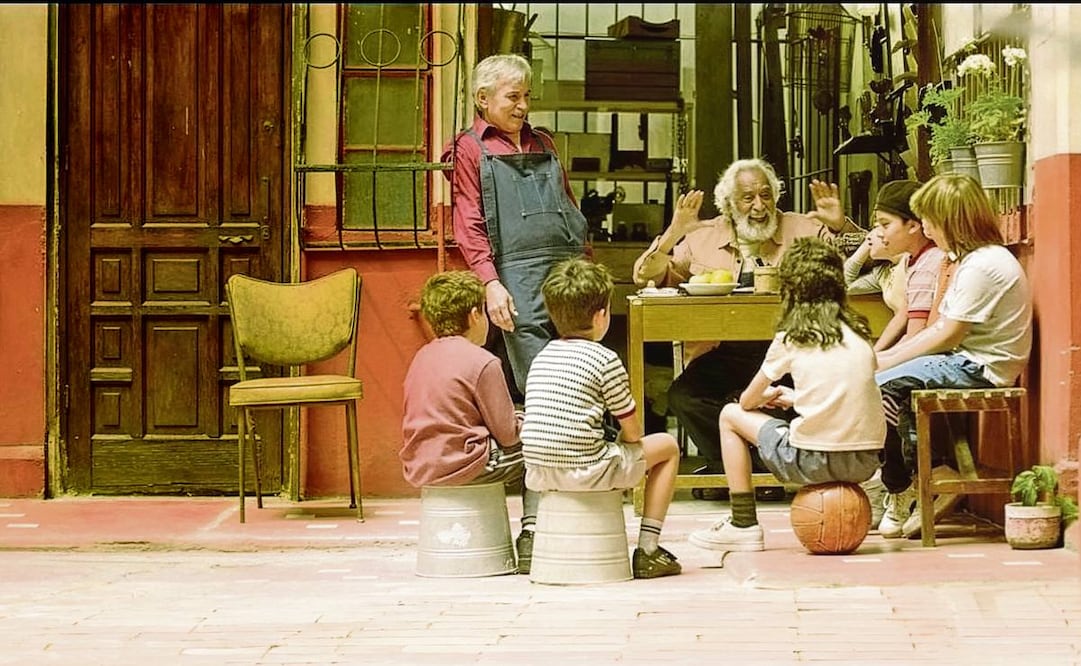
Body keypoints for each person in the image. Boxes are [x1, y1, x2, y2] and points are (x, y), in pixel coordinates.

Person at [632, 158, 860, 499]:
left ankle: (743, 470)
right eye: (747, 198)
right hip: (721, 351)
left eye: (766, 195)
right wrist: (673, 234)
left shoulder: (803, 228)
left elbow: (865, 258)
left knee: (809, 395)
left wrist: (840, 226)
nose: (758, 206)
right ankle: (746, 468)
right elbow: (644, 275)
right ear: (728, 204)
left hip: (790, 352)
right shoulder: (702, 236)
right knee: (684, 397)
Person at [687, 237, 886, 552]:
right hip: (865, 461)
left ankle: (743, 523)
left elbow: (747, 401)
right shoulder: (860, 334)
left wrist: (767, 396)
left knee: (729, 415)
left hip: (813, 461)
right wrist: (795, 398)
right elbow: (848, 392)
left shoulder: (792, 336)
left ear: (790, 289)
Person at [874, 174, 1032, 539]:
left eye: (930, 220)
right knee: (883, 382)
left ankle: (917, 482)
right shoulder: (972, 260)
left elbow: (947, 334)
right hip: (968, 359)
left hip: (980, 366)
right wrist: (889, 358)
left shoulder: (983, 265)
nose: (927, 229)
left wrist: (886, 362)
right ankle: (926, 477)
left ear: (950, 221)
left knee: (882, 387)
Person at [522, 257, 682, 579]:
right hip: (587, 469)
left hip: (537, 471)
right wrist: (626, 441)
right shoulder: (604, 359)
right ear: (601, 315)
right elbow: (633, 431)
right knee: (667, 447)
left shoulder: (542, 357)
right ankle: (649, 549)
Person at [441, 53, 589, 399]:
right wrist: (491, 283)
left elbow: (569, 206)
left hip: (568, 268)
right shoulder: (468, 148)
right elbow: (468, 222)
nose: (523, 106)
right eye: (513, 96)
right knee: (540, 378)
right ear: (483, 98)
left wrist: (587, 262)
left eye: (527, 96)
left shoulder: (544, 143)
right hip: (515, 275)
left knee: (582, 364)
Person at [399, 271, 539, 572]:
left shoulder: (422, 356)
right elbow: (508, 435)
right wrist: (526, 419)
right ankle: (532, 532)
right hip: (466, 463)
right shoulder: (483, 361)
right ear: (475, 315)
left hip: (422, 463)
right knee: (541, 450)